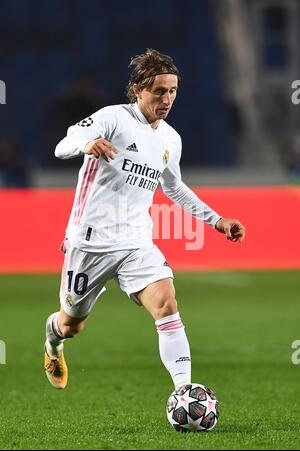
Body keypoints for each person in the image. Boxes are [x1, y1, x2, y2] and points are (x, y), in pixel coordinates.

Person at [44, 49, 245, 390]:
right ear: (138, 89)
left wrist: (216, 220)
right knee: (71, 325)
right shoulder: (113, 118)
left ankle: (184, 392)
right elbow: (63, 144)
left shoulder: (170, 139)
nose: (167, 99)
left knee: (167, 304)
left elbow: (174, 187)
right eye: (159, 91)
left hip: (137, 242)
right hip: (91, 240)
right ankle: (53, 342)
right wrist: (88, 143)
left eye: (172, 91)